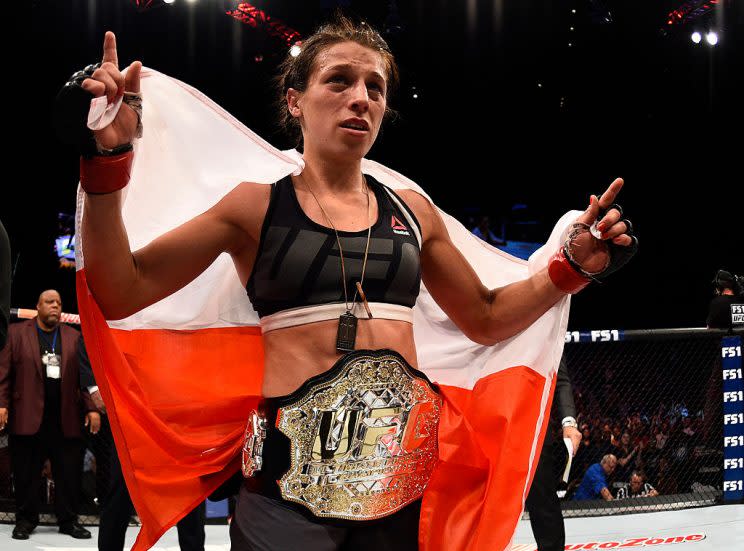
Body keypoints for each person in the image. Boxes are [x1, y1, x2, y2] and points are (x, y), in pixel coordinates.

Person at [59, 17, 637, 550]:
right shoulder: (253, 207)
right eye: (338, 80)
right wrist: (108, 160)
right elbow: (121, 288)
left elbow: (485, 316)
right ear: (295, 101)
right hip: (285, 492)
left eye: (375, 88)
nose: (361, 97)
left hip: (398, 484)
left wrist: (568, 270)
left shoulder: (414, 212)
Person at [78, 337, 207, 551]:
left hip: (179, 409)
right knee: (121, 488)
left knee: (189, 490)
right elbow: (92, 331)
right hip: (133, 408)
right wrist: (93, 387)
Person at [0, 290, 99, 540]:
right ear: (38, 306)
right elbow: (4, 374)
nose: (55, 306)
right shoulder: (17, 333)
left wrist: (91, 408)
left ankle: (69, 521)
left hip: (65, 418)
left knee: (68, 473)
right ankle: (25, 520)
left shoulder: (73, 337)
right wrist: (1, 405)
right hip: (27, 416)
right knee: (25, 473)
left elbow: (84, 377)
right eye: (49, 302)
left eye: (58, 303)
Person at [525, 358, 581, 551]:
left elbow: (561, 378)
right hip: (488, 420)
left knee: (542, 499)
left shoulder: (546, 327)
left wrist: (569, 423)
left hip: (532, 422)